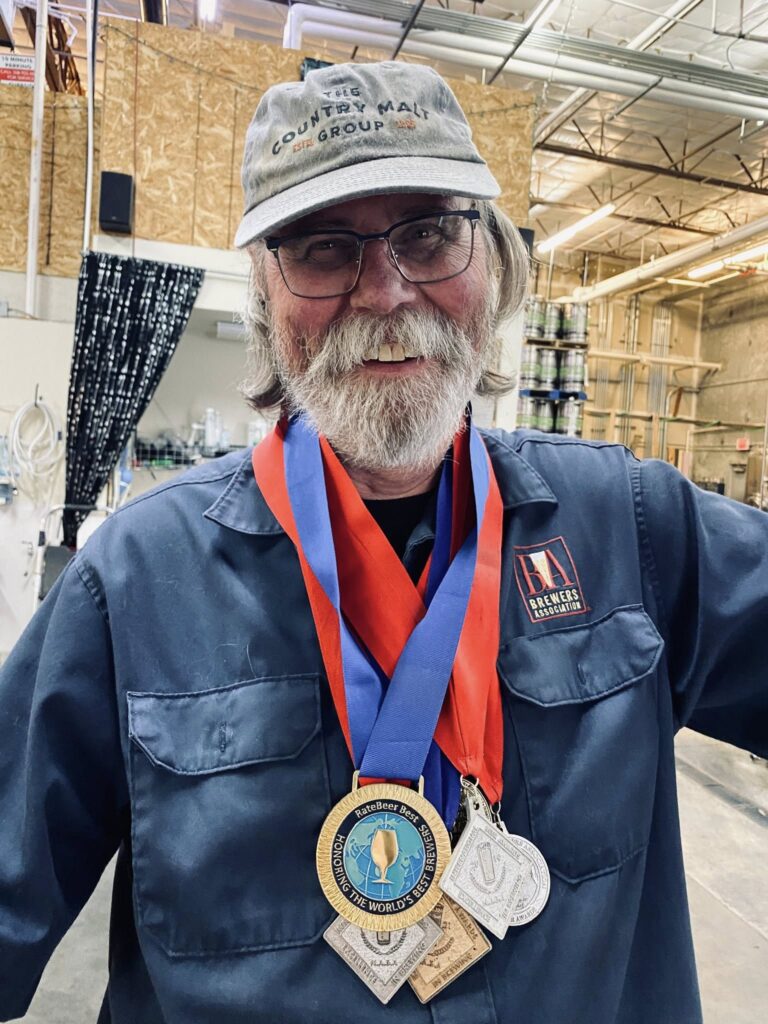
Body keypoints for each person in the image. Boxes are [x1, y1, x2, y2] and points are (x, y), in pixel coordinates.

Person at [0, 59, 765, 1024]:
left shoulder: (639, 530)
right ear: (269, 298)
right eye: (324, 248)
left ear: (494, 264)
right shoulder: (134, 583)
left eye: (431, 232)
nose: (387, 293)